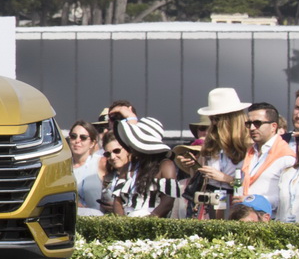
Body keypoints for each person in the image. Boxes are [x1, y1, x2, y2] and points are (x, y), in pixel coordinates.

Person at [188, 87, 253, 219]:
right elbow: (202, 175)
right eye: (212, 118)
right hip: (209, 200)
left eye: (217, 118)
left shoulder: (249, 144)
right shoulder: (211, 142)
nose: (214, 123)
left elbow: (252, 183)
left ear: (231, 118)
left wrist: (225, 178)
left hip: (234, 201)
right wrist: (193, 165)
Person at [102, 117, 179, 218]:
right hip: (126, 222)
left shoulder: (166, 165)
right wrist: (122, 223)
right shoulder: (128, 168)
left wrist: (147, 222)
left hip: (154, 223)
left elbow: (168, 202)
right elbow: (118, 200)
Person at [66, 120, 102, 219]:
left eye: (83, 138)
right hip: (70, 220)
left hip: (96, 219)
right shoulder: (62, 166)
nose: (77, 141)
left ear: (92, 143)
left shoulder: (101, 162)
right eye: (73, 136)